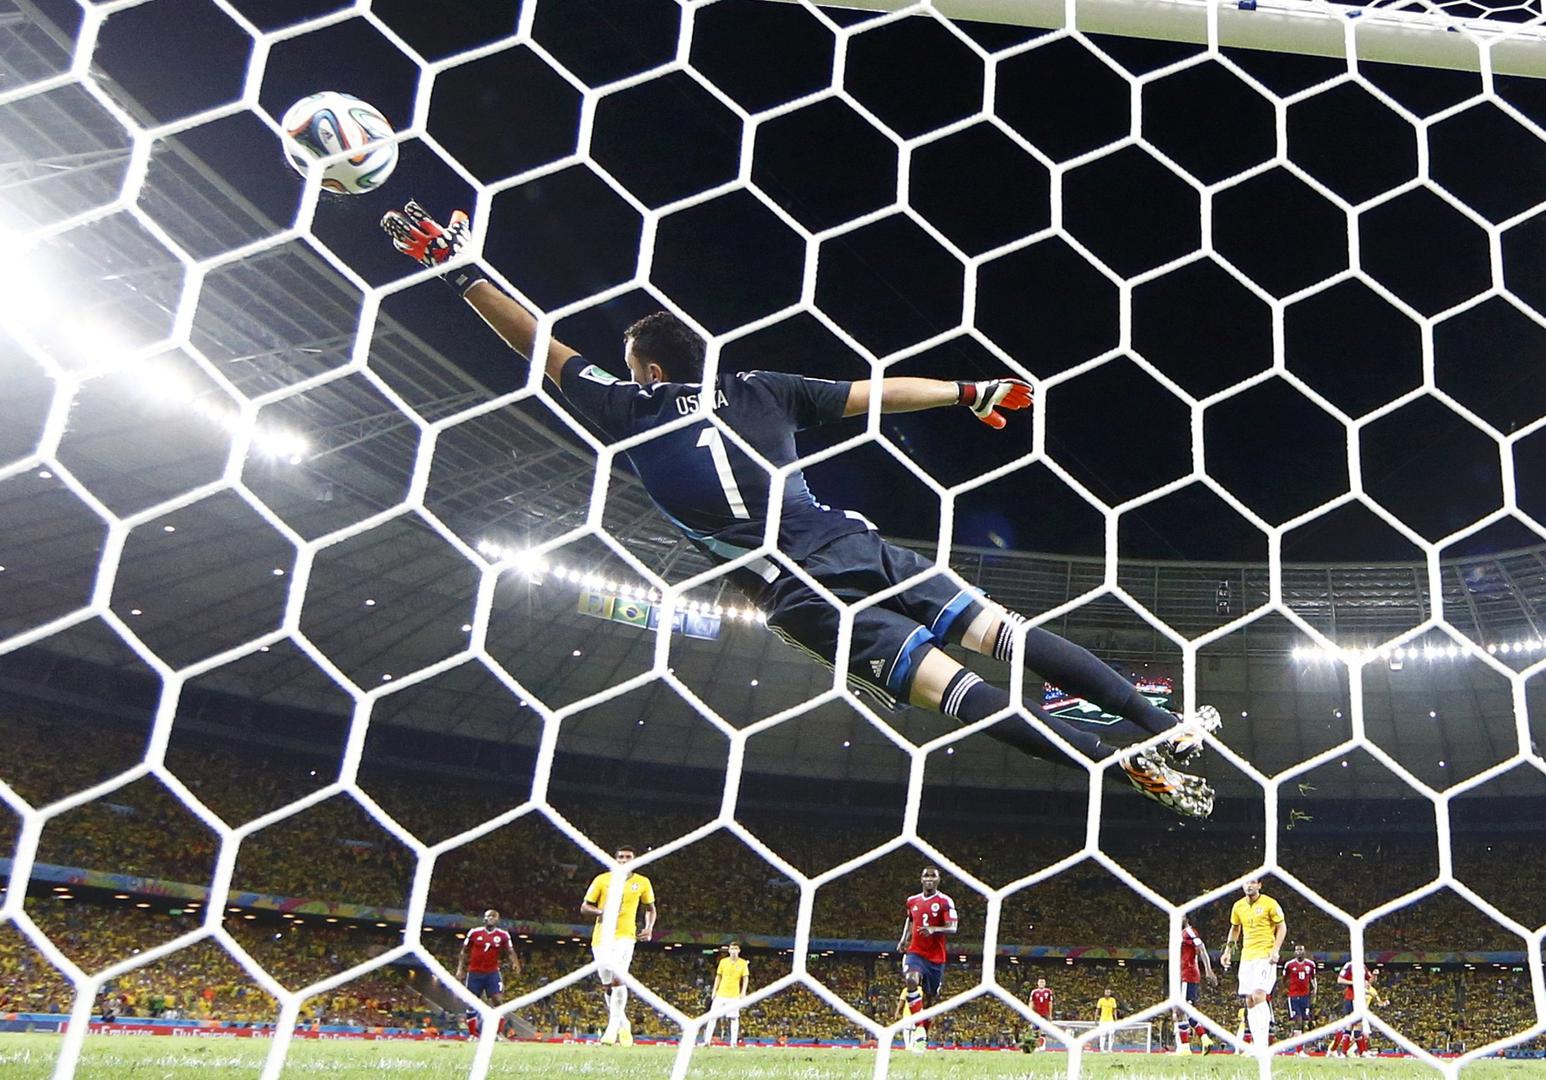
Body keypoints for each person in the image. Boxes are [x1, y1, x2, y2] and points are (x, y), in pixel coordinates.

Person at [381, 202, 1220, 819]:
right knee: (1005, 633)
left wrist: (462, 271)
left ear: (648, 372)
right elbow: (877, 391)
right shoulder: (762, 389)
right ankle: (1159, 722)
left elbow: (539, 343)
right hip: (854, 544)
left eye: (630, 363)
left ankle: (1112, 763)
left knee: (958, 691)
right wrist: (971, 390)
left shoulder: (631, 408)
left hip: (800, 594)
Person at [580, 845, 656, 1046]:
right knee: (607, 985)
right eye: (620, 857)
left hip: (625, 937)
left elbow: (650, 908)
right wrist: (601, 912)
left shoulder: (642, 882)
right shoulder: (602, 880)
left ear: (634, 860)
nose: (624, 860)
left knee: (618, 979)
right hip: (601, 937)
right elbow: (585, 907)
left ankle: (611, 1029)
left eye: (628, 857)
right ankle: (624, 1024)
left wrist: (649, 928)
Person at [1219, 877, 1286, 1056]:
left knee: (1259, 995)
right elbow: (1235, 929)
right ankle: (1256, 1044)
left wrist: (1275, 950)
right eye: (1246, 883)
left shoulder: (1270, 903)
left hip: (1265, 956)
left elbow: (1282, 927)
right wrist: (1228, 951)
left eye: (1253, 882)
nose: (1249, 885)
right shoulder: (1238, 906)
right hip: (1246, 957)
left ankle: (1262, 1046)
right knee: (1249, 1000)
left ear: (1259, 885)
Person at [896, 866, 957, 1052]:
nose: (929, 879)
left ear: (938, 880)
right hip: (915, 952)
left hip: (936, 958)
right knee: (911, 980)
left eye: (933, 876)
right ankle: (919, 1030)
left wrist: (934, 929)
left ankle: (923, 1037)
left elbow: (952, 927)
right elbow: (910, 919)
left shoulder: (945, 901)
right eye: (926, 876)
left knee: (930, 1000)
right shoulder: (912, 901)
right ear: (921, 879)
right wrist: (904, 939)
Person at [455, 908, 514, 1039]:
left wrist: (514, 962)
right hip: (474, 973)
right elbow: (464, 951)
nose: (491, 918)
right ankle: (473, 1035)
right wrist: (460, 969)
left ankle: (497, 1033)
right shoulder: (474, 933)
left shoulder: (503, 935)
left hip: (492, 972)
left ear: (497, 919)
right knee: (472, 1003)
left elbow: (510, 950)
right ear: (484, 918)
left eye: (493, 916)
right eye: (488, 916)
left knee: (498, 1001)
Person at [1173, 913, 1218, 1054]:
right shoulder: (1181, 934)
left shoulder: (1189, 931)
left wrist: (1208, 970)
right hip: (1183, 975)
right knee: (1182, 1010)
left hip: (1188, 974)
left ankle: (1186, 1048)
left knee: (1180, 1010)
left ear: (1186, 918)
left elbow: (1202, 948)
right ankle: (1203, 1039)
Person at [1330, 958, 1383, 1058]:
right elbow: (1340, 980)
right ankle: (1351, 1052)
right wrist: (1355, 983)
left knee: (1355, 1026)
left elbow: (1369, 982)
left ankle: (1352, 1052)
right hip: (1351, 998)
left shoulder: (1363, 967)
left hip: (1359, 1000)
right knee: (1352, 1025)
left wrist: (1375, 975)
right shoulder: (1349, 965)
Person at [702, 942, 749, 1047]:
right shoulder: (723, 962)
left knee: (734, 1018)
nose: (734, 951)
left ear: (739, 950)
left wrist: (743, 992)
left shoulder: (743, 963)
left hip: (734, 995)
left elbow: (745, 978)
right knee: (712, 1017)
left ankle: (733, 1043)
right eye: (732, 949)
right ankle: (707, 1041)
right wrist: (714, 991)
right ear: (729, 950)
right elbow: (718, 976)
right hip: (721, 994)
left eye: (735, 949)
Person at [1282, 943, 1318, 1051]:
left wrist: (1314, 991)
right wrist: (1289, 990)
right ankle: (1299, 1050)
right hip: (1294, 997)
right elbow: (1284, 980)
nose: (1299, 952)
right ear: (1294, 952)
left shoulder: (1310, 964)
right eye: (1297, 950)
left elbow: (1313, 979)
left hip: (1305, 997)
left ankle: (1298, 1046)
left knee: (1304, 1022)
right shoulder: (1289, 965)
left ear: (1304, 951)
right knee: (1298, 1020)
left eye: (1301, 950)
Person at [1028, 977, 1053, 1051]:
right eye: (1040, 982)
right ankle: (1036, 1046)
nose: (1041, 983)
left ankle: (1043, 1046)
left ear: (1045, 983)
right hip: (1036, 1014)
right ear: (1038, 983)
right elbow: (1031, 1002)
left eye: (1043, 982)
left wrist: (1050, 1014)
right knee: (1035, 1030)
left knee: (1044, 1030)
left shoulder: (1048, 991)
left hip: (1045, 1013)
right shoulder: (1034, 992)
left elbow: (1050, 1003)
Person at [1095, 988, 1118, 1052]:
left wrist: (1116, 1019)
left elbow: (1114, 1009)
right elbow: (1098, 1009)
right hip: (1103, 1020)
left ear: (1110, 993)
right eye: (1106, 992)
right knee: (1102, 1034)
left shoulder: (1113, 1000)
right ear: (1104, 993)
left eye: (1109, 992)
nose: (1107, 993)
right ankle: (1102, 1049)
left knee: (1111, 1034)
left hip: (1110, 1020)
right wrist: (1096, 1018)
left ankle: (1110, 1049)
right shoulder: (1101, 1000)